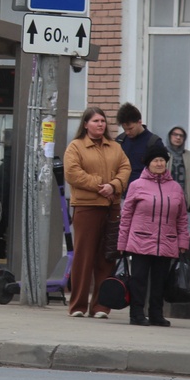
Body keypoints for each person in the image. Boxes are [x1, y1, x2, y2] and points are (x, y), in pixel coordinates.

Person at [63, 107, 131, 319]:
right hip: (87, 207)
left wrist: (114, 185)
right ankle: (78, 305)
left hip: (111, 208)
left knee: (106, 258)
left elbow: (125, 168)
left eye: (102, 121)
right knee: (84, 257)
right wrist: (100, 185)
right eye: (95, 121)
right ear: (85, 124)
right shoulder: (76, 146)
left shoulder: (115, 147)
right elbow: (72, 173)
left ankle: (101, 306)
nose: (100, 124)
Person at [117, 141, 189, 327]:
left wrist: (183, 241)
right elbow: (126, 216)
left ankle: (156, 314)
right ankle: (136, 314)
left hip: (166, 241)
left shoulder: (176, 188)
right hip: (140, 240)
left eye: (162, 160)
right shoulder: (136, 185)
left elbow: (182, 218)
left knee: (160, 281)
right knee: (138, 280)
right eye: (155, 160)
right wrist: (122, 243)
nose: (159, 163)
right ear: (148, 163)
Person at [115, 102, 162, 183]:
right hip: (122, 188)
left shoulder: (154, 142)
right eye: (124, 129)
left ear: (139, 122)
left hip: (145, 189)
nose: (127, 132)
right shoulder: (120, 141)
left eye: (130, 128)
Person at [165, 126, 190, 215]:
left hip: (184, 205)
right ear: (169, 136)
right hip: (164, 203)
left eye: (181, 136)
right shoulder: (161, 155)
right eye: (175, 134)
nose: (178, 137)